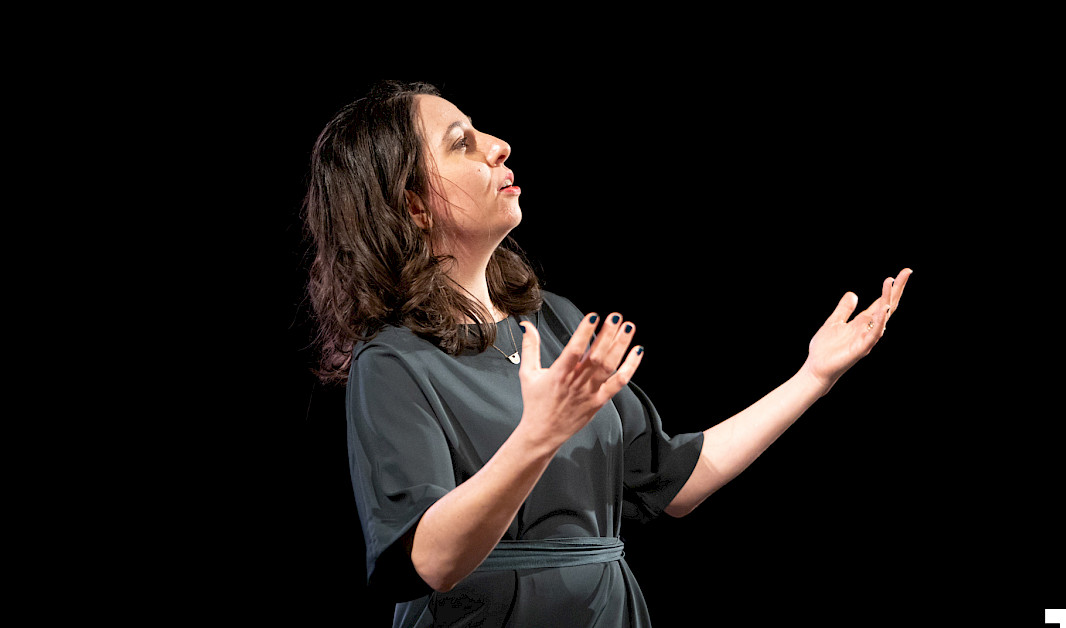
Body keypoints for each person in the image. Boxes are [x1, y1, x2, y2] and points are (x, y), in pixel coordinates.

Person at [303, 80, 912, 627]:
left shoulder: (555, 319)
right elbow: (431, 559)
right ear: (412, 205)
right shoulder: (393, 363)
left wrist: (813, 375)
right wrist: (539, 435)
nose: (499, 146)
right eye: (461, 143)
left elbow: (673, 481)